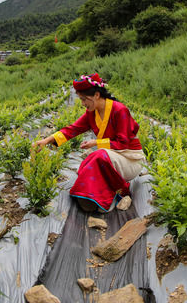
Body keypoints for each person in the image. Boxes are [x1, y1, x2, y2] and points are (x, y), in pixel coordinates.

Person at [33, 73, 145, 212]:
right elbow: (72, 129)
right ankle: (93, 195)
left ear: (97, 95)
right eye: (81, 99)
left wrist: (96, 143)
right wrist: (47, 140)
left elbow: (122, 143)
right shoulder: (92, 113)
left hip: (130, 159)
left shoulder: (119, 110)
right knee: (87, 163)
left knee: (98, 156)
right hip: (113, 158)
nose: (83, 103)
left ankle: (122, 191)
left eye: (84, 99)